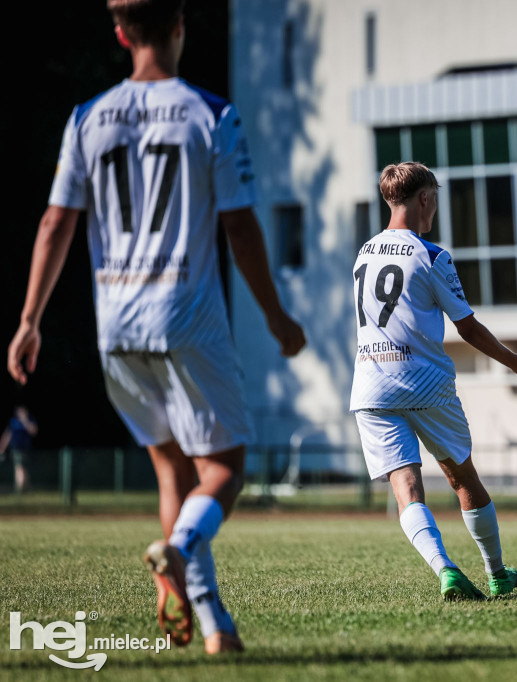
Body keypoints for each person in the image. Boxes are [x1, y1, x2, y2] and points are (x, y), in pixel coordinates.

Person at [6, 0, 305, 654]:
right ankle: (179, 549)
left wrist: (29, 320)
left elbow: (56, 224)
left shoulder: (86, 117)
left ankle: (204, 624)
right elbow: (240, 226)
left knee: (171, 471)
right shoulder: (211, 113)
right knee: (224, 468)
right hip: (187, 314)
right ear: (179, 25)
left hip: (115, 323)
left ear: (119, 33)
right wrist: (277, 317)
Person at [351, 162, 517, 600]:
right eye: (436, 196)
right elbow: (468, 327)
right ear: (425, 199)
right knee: (462, 478)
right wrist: (513, 360)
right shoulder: (432, 255)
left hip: (369, 383)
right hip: (423, 382)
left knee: (406, 487)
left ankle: (445, 570)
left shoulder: (364, 252)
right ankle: (497, 573)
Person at [0, 405, 38, 494]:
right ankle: (20, 490)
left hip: (27, 449)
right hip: (16, 449)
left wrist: (25, 421)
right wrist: (2, 447)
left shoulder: (30, 420)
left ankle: (25, 488)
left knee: (24, 469)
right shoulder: (13, 422)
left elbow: (33, 431)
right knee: (18, 467)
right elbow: (7, 435)